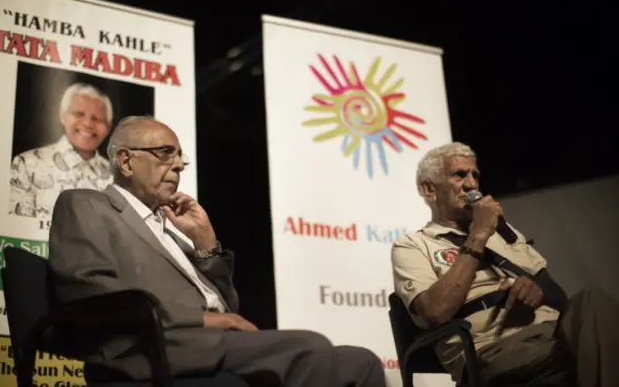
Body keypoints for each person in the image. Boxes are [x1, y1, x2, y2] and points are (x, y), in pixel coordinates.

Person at [48, 115, 386, 387]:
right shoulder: (87, 205)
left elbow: (228, 306)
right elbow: (92, 293)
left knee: (361, 362)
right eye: (166, 153)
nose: (179, 165)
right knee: (310, 346)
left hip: (208, 343)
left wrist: (205, 242)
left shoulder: (172, 231)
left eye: (181, 158)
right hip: (149, 347)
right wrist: (202, 319)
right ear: (126, 160)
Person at [391, 142, 619, 387]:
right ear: (428, 190)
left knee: (593, 301)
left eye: (474, 175)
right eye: (459, 175)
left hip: (554, 331)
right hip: (493, 349)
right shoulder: (413, 245)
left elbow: (559, 297)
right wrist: (478, 235)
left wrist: (535, 290)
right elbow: (435, 312)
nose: (471, 184)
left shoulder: (505, 234)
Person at [9, 82, 113, 218]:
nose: (87, 124)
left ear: (108, 127)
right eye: (79, 114)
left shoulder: (117, 179)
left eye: (96, 119)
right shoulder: (26, 165)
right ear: (62, 116)